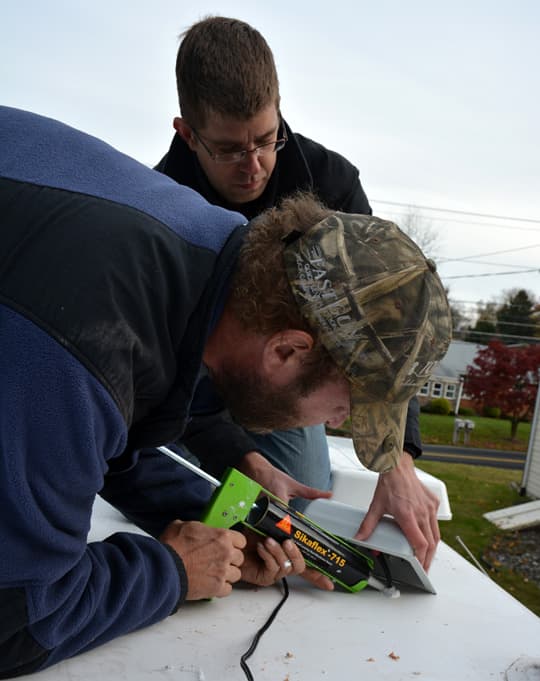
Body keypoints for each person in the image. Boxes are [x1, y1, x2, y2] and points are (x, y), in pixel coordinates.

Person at [0, 105, 451, 677]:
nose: (336, 426)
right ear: (287, 351)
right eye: (345, 407)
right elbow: (19, 618)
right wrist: (172, 571)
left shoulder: (204, 250)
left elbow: (121, 434)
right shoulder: (86, 341)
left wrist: (229, 527)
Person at [155, 16, 439, 555]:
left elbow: (384, 327)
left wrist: (395, 458)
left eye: (267, 139)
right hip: (193, 392)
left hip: (293, 388)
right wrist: (240, 456)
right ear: (187, 134)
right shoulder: (161, 210)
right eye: (230, 150)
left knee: (302, 526)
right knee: (193, 516)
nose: (255, 165)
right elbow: (161, 372)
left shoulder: (331, 184)